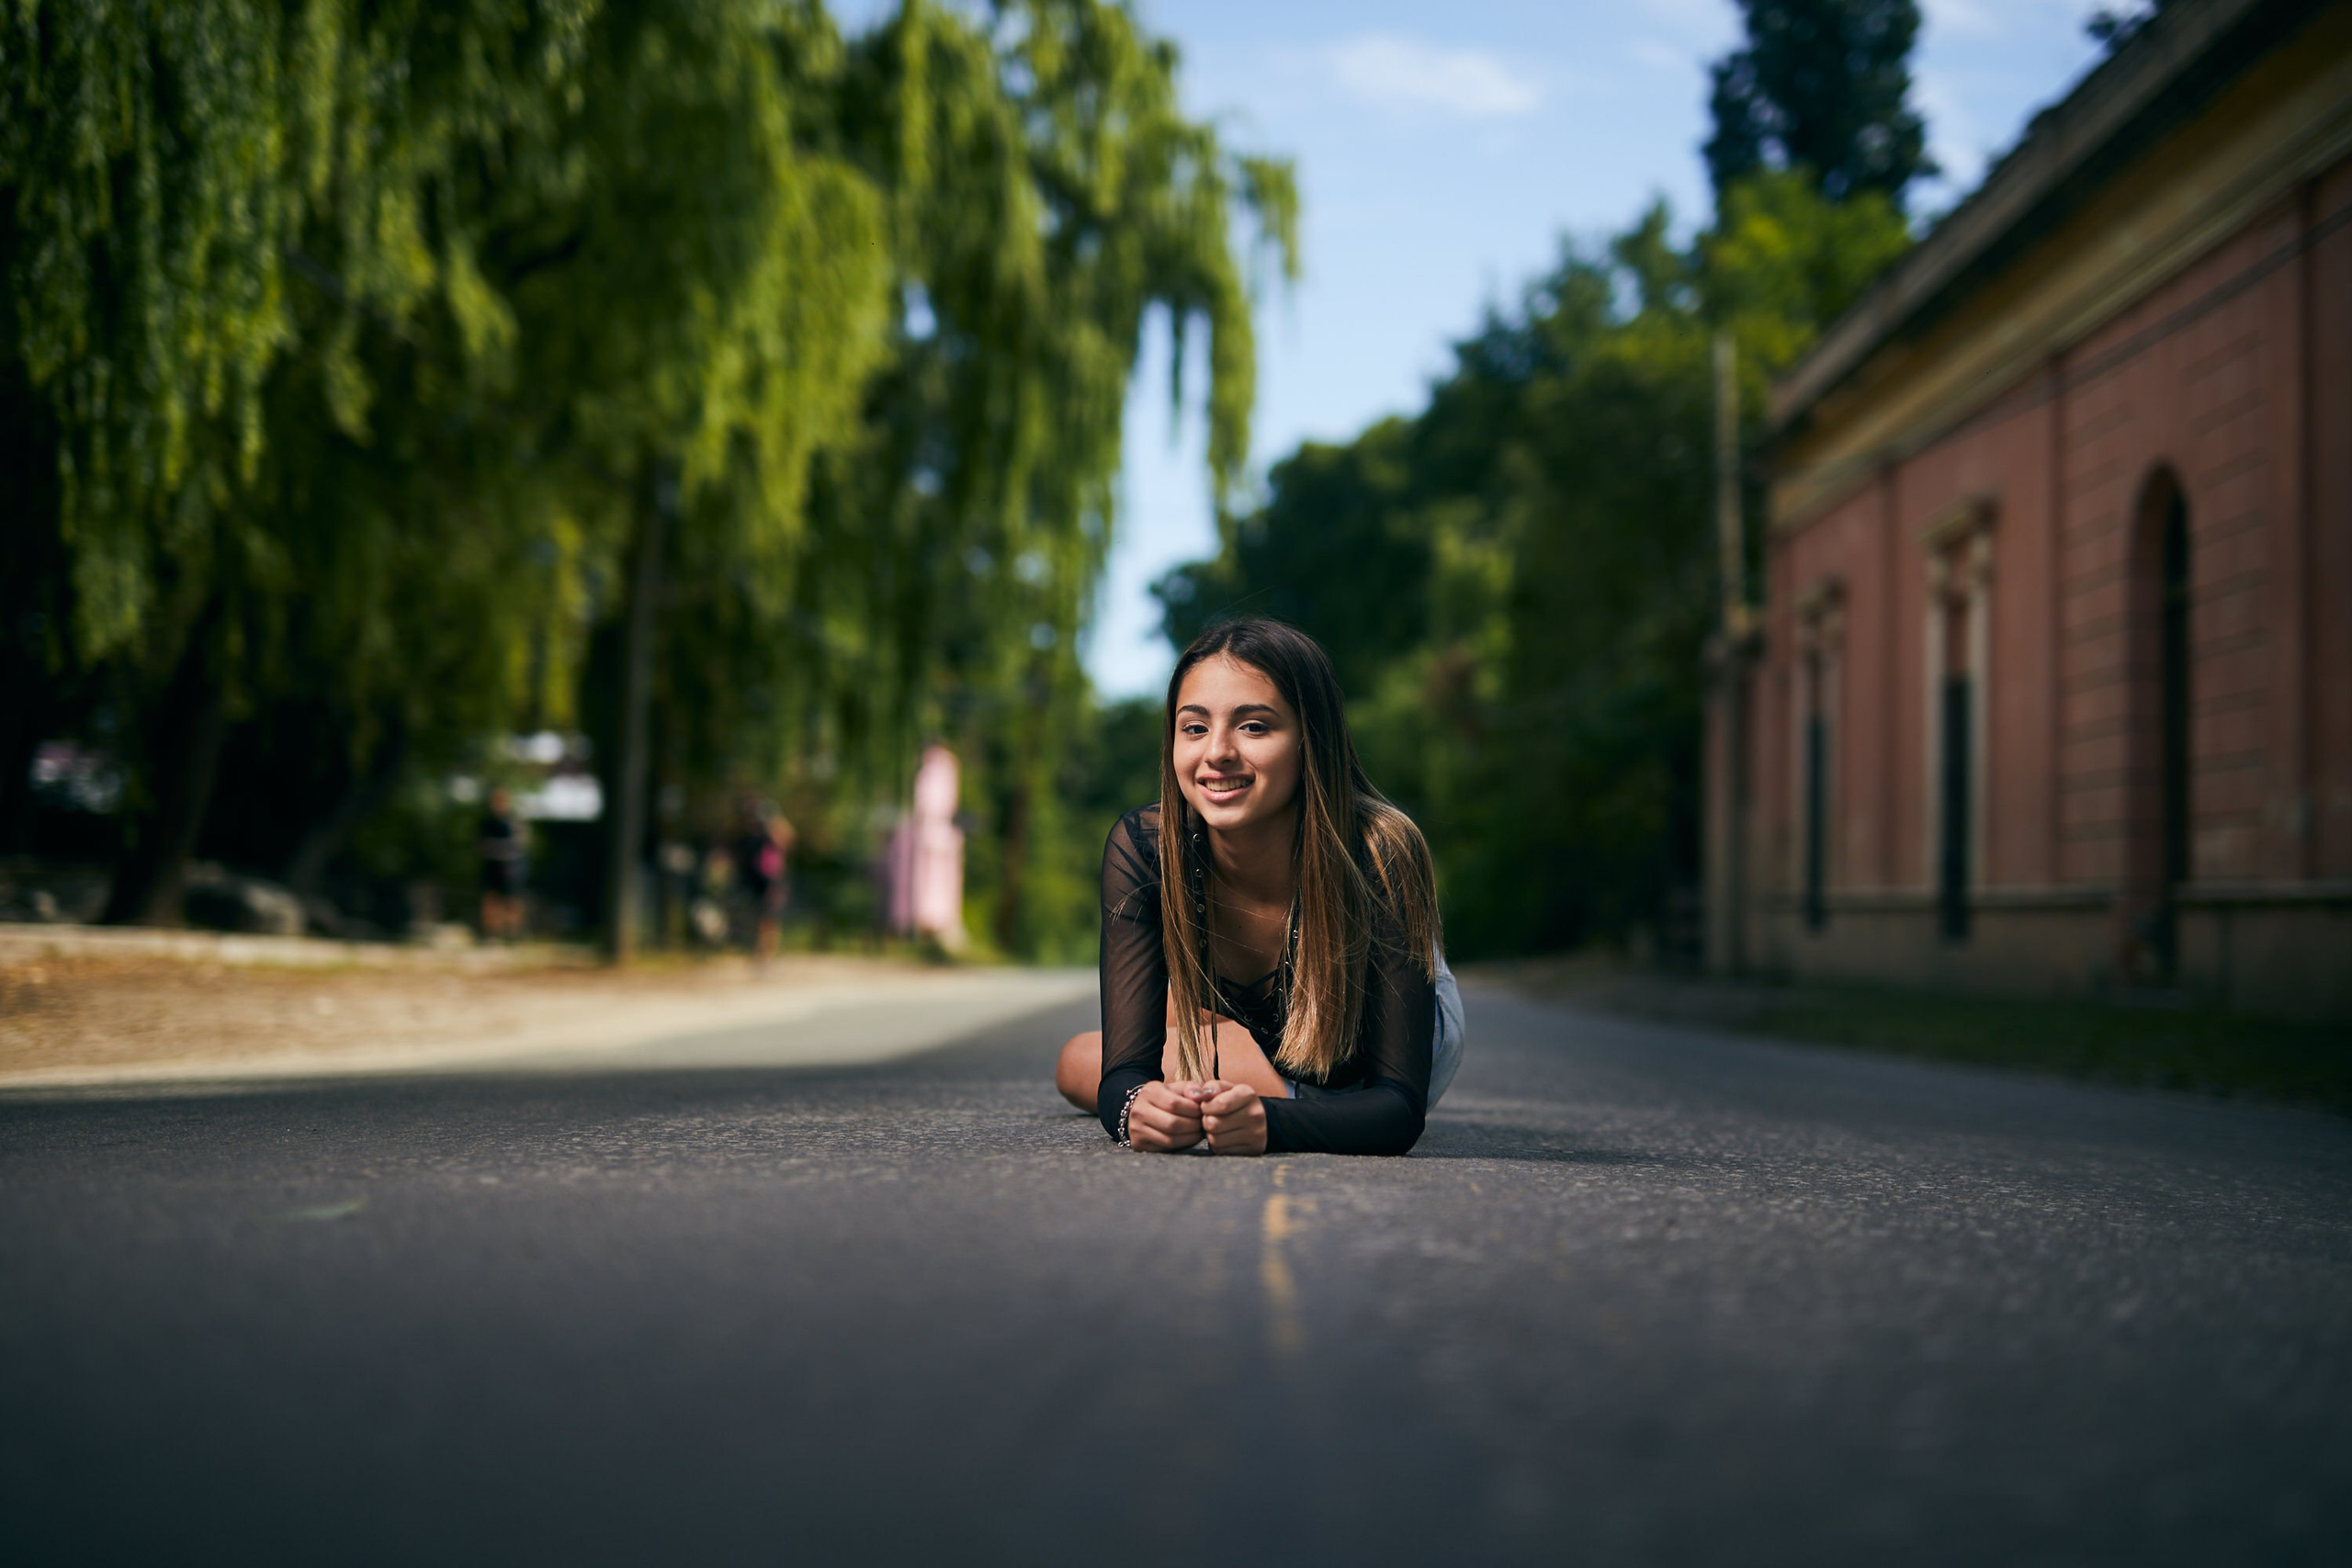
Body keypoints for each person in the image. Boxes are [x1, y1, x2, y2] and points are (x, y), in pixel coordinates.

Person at [1054, 617, 1464, 1156]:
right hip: (1259, 1019)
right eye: (1194, 728)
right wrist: (1138, 1109)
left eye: (1253, 727)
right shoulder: (1146, 847)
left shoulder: (1380, 852)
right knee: (1078, 1060)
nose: (1217, 752)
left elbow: (1396, 1110)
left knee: (1085, 1060)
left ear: (1308, 740)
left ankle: (1290, 1090)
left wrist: (1269, 1121)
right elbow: (1123, 1077)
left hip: (1364, 1060)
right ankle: (1241, 1055)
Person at [734, 801, 796, 964]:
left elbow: (788, 837)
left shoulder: (775, 834)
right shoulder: (753, 835)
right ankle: (759, 953)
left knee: (769, 920)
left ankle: (767, 955)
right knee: (759, 919)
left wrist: (775, 821)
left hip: (772, 880)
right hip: (756, 880)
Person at [477, 786, 529, 942]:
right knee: (491, 902)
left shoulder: (513, 822)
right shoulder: (487, 823)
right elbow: (481, 846)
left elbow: (521, 845)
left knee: (512, 903)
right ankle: (492, 934)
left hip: (510, 868)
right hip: (492, 867)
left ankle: (513, 935)